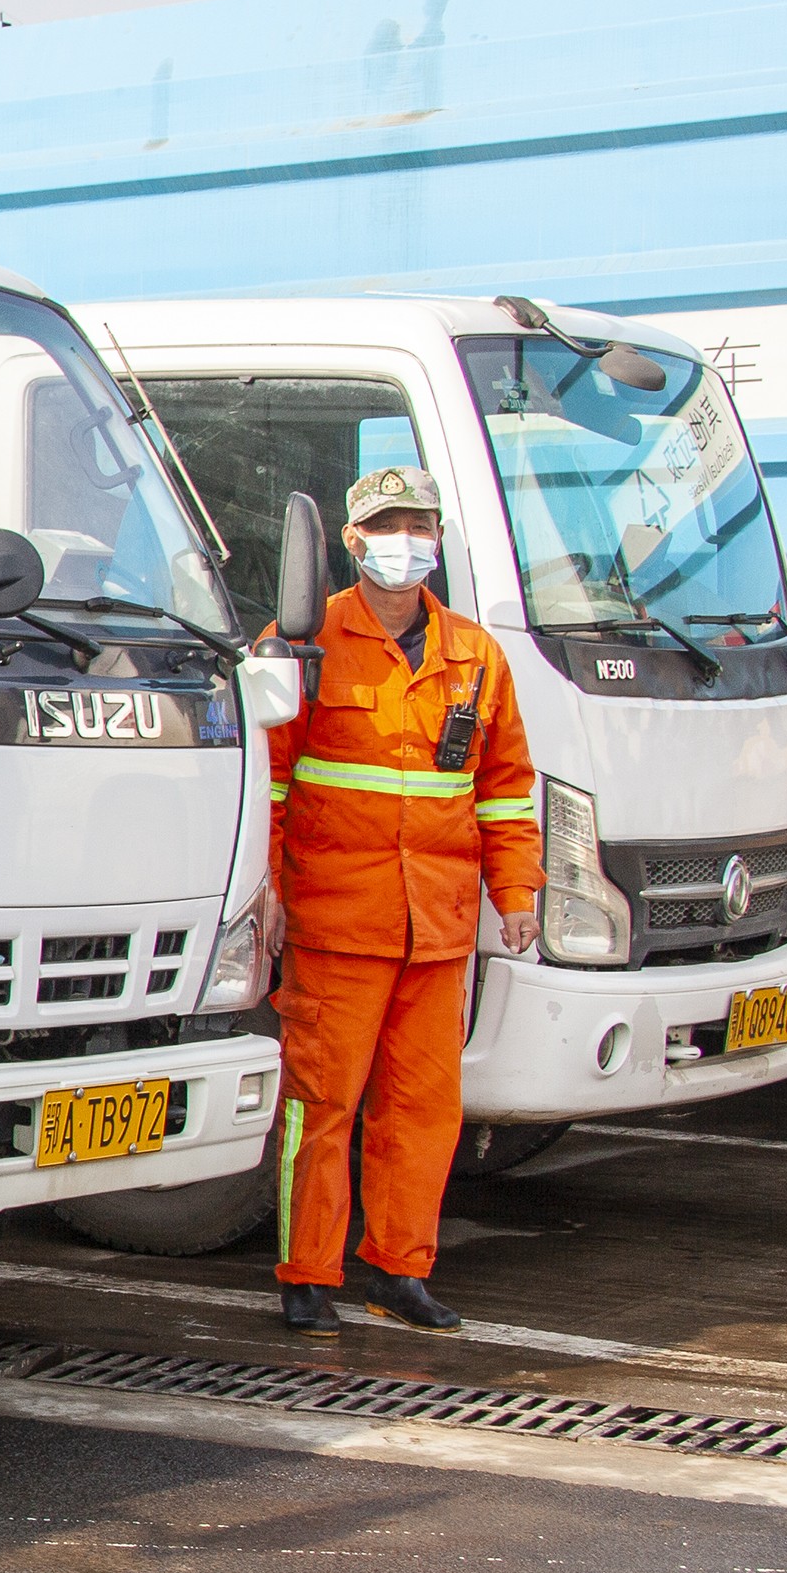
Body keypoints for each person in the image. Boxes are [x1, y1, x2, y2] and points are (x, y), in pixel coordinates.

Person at [262, 464, 539, 1338]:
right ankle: (308, 1273)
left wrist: (519, 890)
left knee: (422, 1110)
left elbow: (504, 787)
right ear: (352, 542)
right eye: (388, 525)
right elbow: (264, 785)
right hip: (336, 921)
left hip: (439, 926)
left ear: (439, 539)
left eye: (419, 523)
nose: (405, 540)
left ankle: (396, 1269)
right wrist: (264, 890)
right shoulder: (300, 643)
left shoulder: (475, 654)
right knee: (322, 1103)